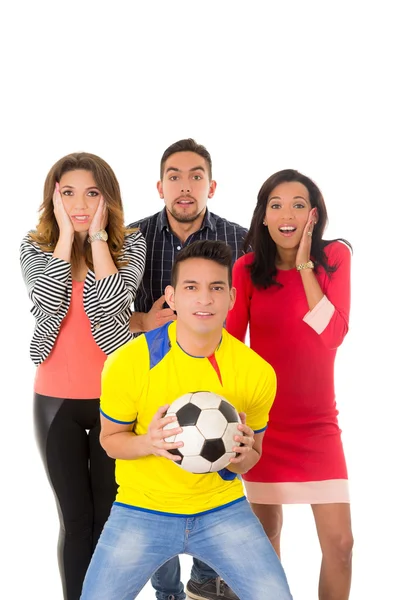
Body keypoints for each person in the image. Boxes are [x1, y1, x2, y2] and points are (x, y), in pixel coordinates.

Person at [80, 240, 293, 600]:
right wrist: (147, 442)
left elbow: (254, 454)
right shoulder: (128, 362)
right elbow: (109, 440)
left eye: (216, 288)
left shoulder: (257, 373)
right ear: (173, 297)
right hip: (142, 508)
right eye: (191, 288)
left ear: (231, 297)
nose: (204, 299)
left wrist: (243, 455)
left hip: (221, 509)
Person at [20, 152, 147, 600]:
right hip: (55, 403)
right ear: (52, 199)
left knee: (110, 516)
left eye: (92, 193)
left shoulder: (129, 247)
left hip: (116, 402)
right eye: (67, 193)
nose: (79, 202)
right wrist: (63, 240)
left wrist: (95, 238)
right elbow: (48, 303)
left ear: (107, 199)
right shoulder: (33, 248)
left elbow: (111, 311)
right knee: (74, 520)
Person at [128, 138, 248, 600]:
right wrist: (145, 321)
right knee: (156, 481)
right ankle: (166, 588)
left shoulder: (238, 239)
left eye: (195, 175)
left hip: (216, 378)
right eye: (174, 176)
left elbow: (246, 307)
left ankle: (203, 580)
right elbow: (112, 313)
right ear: (160, 185)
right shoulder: (133, 238)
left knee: (212, 472)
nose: (185, 186)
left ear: (211, 185)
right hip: (153, 380)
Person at [226, 169, 353, 600]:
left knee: (341, 544)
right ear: (262, 216)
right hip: (265, 425)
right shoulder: (246, 268)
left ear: (313, 215)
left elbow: (332, 333)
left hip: (319, 426)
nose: (287, 213)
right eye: (276, 204)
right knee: (266, 539)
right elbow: (229, 345)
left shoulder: (335, 257)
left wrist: (303, 267)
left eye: (299, 205)